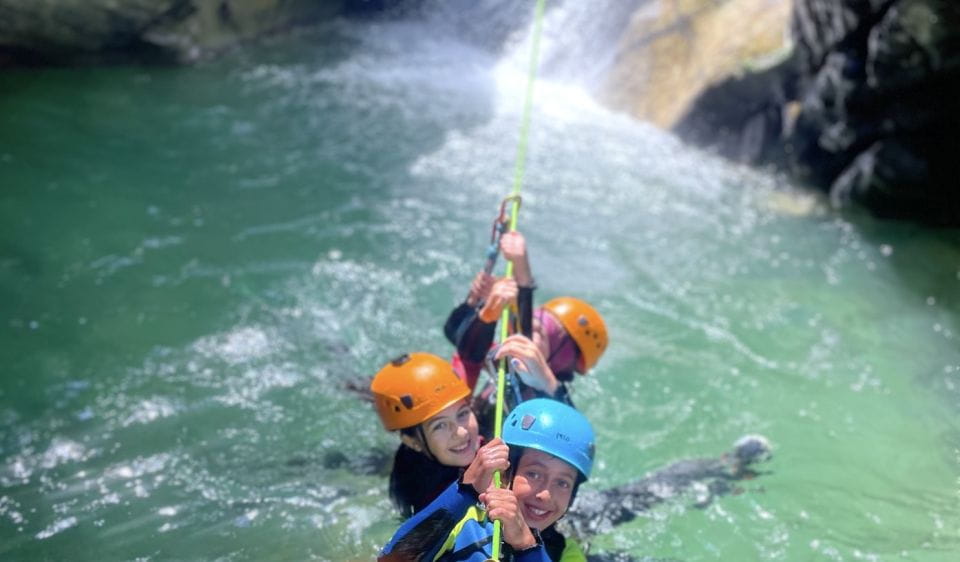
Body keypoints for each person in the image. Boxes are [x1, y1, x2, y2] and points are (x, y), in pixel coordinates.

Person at [379, 398, 595, 561]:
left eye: (563, 483)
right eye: (534, 474)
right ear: (506, 474)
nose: (545, 494)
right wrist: (465, 490)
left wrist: (526, 546)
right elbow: (391, 560)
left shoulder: (567, 553)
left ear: (573, 495)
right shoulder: (466, 520)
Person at [444, 231, 608, 417]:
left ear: (563, 361)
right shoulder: (503, 359)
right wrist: (479, 305)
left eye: (542, 334)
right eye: (534, 322)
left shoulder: (548, 400)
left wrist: (522, 275)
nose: (526, 338)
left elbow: (571, 426)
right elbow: (456, 335)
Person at [370, 352, 483, 518]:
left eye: (463, 413)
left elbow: (470, 355)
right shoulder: (428, 500)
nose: (461, 432)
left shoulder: (456, 441)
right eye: (440, 426)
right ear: (412, 441)